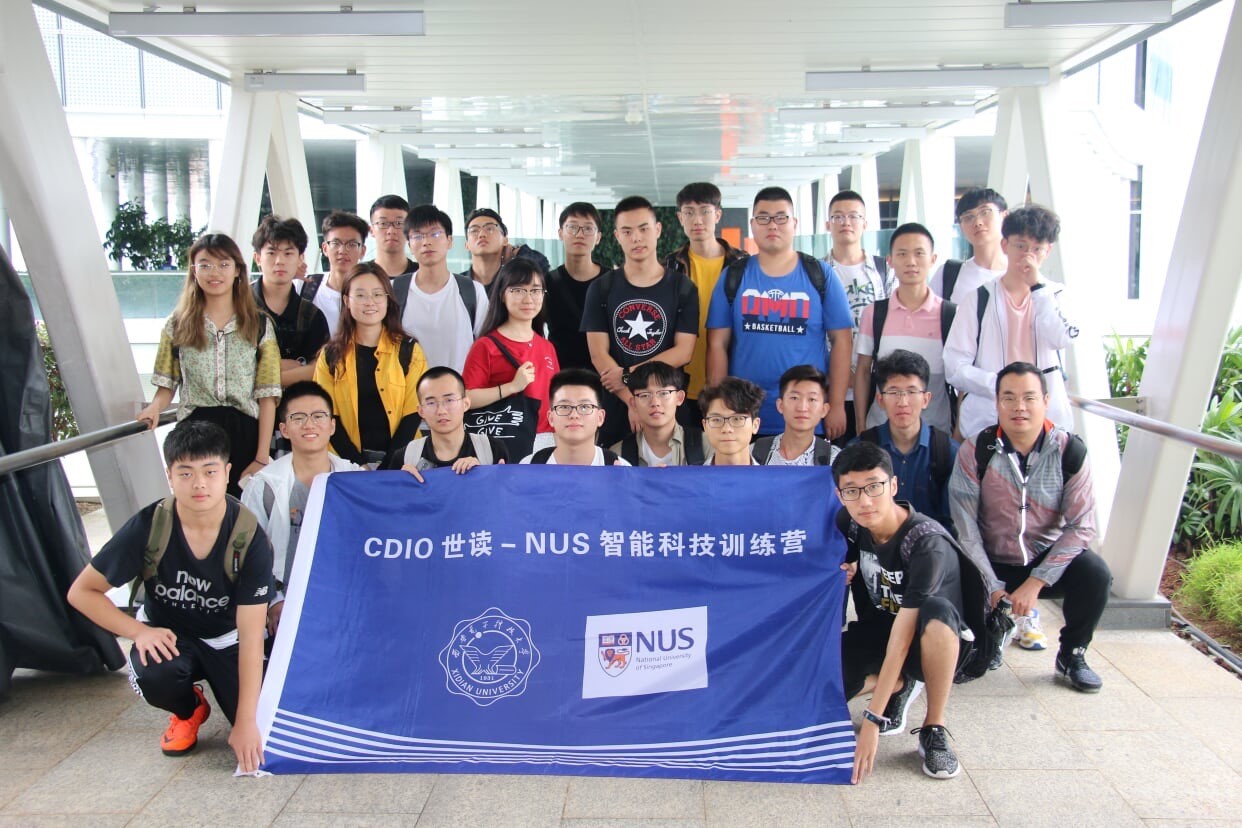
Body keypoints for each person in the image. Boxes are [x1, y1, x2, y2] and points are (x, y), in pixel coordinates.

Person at [67, 420, 271, 771]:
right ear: (170, 476)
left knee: (264, 726)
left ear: (227, 473)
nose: (199, 484)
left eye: (209, 471)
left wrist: (246, 722)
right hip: (169, 637)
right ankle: (188, 709)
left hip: (227, 638)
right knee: (156, 673)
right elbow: (81, 592)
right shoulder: (151, 525)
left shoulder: (248, 536)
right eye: (186, 473)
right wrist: (138, 632)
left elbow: (252, 635)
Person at [948, 362, 1112, 692]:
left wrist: (1037, 581)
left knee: (1095, 574)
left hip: (1043, 560)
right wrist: (991, 585)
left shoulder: (1069, 451)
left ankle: (1073, 654)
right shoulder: (976, 450)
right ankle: (987, 635)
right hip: (989, 561)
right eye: (1008, 397)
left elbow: (1081, 527)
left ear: (1046, 401)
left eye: (1029, 397)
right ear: (997, 403)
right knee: (950, 570)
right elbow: (965, 527)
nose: (1019, 407)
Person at [834, 441, 983, 783]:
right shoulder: (851, 523)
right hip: (879, 627)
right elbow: (831, 561)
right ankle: (900, 684)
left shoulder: (926, 544)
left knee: (937, 612)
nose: (864, 501)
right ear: (840, 495)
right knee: (828, 684)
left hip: (929, 638)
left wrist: (872, 719)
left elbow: (902, 639)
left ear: (893, 485)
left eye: (874, 487)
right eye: (852, 491)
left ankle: (934, 726)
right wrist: (845, 568)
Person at [138, 232, 281, 498]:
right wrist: (155, 407)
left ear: (237, 270)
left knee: (241, 509)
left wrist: (262, 456)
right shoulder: (177, 324)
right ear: (194, 271)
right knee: (198, 504)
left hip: (244, 431)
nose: (214, 272)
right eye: (205, 265)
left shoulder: (259, 324)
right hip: (194, 430)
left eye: (223, 264)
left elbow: (268, 395)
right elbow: (167, 384)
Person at [705, 186, 854, 439]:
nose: (772, 225)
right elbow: (717, 345)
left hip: (806, 415)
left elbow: (842, 340)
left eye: (781, 217)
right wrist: (720, 410)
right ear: (753, 225)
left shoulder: (821, 275)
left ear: (794, 223)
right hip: (744, 415)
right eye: (763, 218)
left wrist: (836, 404)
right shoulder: (733, 276)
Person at [944, 205, 1079, 440]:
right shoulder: (979, 298)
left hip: (1047, 425)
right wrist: (1002, 386)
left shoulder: (1057, 296)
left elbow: (1062, 338)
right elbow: (954, 366)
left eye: (1037, 249)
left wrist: (1038, 288)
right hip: (987, 424)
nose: (1028, 256)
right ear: (1005, 245)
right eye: (1021, 246)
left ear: (1048, 251)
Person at [241, 381, 362, 638]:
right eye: (298, 418)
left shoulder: (356, 478)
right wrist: (274, 602)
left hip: (346, 598)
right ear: (284, 429)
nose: (309, 425)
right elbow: (249, 556)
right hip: (286, 603)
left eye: (318, 416)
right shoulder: (263, 487)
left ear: (332, 425)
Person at [581, 195, 699, 447]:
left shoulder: (683, 288)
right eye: (627, 231)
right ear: (617, 236)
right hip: (617, 404)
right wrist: (632, 401)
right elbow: (598, 355)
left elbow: (683, 352)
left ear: (658, 230)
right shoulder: (601, 288)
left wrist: (628, 374)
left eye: (644, 229)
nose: (636, 238)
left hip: (668, 404)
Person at [313, 262, 427, 468]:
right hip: (345, 463)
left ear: (388, 300)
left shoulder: (410, 351)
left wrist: (389, 465)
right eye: (360, 295)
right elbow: (326, 414)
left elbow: (413, 413)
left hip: (402, 463)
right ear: (347, 300)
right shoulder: (330, 355)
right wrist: (357, 464)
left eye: (377, 294)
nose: (370, 302)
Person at [854, 222, 956, 434]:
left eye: (919, 253)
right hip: (880, 432)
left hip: (935, 433)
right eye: (902, 254)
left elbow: (960, 381)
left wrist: (958, 433)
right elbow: (862, 372)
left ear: (933, 259)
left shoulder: (950, 314)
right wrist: (861, 426)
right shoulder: (874, 313)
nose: (911, 261)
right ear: (890, 260)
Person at [662, 182, 746, 424]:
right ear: (680, 218)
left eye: (705, 211)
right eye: (689, 212)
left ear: (717, 215)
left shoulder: (742, 265)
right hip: (681, 384)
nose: (697, 220)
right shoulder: (670, 266)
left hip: (732, 381)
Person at [463, 257, 561, 455]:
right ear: (502, 294)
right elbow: (466, 398)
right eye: (518, 290)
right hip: (506, 442)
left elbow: (555, 399)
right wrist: (512, 387)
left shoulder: (547, 347)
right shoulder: (486, 346)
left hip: (547, 440)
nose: (528, 299)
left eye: (535, 290)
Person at [857, 350, 960, 534]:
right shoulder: (861, 450)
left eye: (911, 392)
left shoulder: (947, 451)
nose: (903, 402)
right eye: (893, 392)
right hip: (875, 547)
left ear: (926, 399)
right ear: (880, 400)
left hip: (931, 546)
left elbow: (955, 522)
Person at [824, 189, 893, 442]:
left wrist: (867, 373)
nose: (846, 222)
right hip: (832, 390)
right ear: (828, 224)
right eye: (838, 216)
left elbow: (892, 325)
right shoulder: (817, 271)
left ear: (865, 223)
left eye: (854, 216)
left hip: (877, 387)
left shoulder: (884, 270)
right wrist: (842, 374)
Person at [391, 204, 489, 372]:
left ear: (449, 241)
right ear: (409, 245)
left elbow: (486, 349)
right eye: (417, 236)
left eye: (435, 234)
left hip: (460, 387)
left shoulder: (473, 291)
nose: (426, 242)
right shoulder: (395, 290)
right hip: (408, 388)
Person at [250, 215, 329, 387]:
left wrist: (259, 374)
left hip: (295, 403)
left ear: (300, 258)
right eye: (271, 253)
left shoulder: (311, 315)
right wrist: (294, 369)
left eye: (288, 253)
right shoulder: (237, 306)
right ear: (258, 258)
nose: (280, 261)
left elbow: (320, 369)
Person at [403, 366, 509, 472]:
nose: (441, 411)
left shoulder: (492, 450)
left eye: (449, 400)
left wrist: (483, 473)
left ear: (465, 404)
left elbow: (507, 482)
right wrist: (402, 479)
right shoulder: (406, 457)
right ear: (421, 411)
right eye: (431, 403)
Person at [520, 369, 630, 466]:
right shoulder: (528, 466)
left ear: (600, 417)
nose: (574, 415)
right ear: (551, 418)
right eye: (564, 407)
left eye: (584, 407)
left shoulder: (621, 469)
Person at [611, 360, 708, 466]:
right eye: (645, 395)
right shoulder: (618, 453)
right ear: (633, 404)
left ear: (679, 398)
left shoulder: (706, 445)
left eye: (664, 393)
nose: (655, 403)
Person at [545, 202, 605, 370]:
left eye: (588, 229)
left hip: (604, 375)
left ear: (598, 237)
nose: (579, 234)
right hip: (559, 374)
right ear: (560, 233)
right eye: (572, 227)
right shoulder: (547, 282)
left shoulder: (612, 282)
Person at [931, 188, 1008, 305]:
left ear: (1005, 216)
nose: (978, 222)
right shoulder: (948, 274)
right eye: (968, 217)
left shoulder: (1021, 274)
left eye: (985, 212)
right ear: (961, 227)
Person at [752, 365, 838, 466]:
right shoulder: (754, 453)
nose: (802, 408)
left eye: (812, 399)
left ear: (824, 410)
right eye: (794, 398)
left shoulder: (834, 459)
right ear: (780, 405)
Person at [300, 210, 370, 334]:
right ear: (325, 248)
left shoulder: (374, 293)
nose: (342, 250)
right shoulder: (304, 286)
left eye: (352, 244)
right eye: (336, 243)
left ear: (363, 251)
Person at [460, 207, 551, 298]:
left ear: (505, 240)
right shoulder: (457, 285)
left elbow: (540, 266)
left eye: (490, 228)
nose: (482, 234)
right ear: (466, 245)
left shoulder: (513, 280)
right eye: (474, 230)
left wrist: (516, 251)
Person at [699, 377, 763, 466]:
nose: (726, 429)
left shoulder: (772, 475)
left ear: (755, 425)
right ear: (705, 426)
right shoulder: (688, 474)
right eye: (717, 420)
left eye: (737, 419)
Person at [368, 194, 418, 277]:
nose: (391, 231)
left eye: (399, 223)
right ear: (371, 230)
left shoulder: (422, 274)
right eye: (383, 223)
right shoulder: (360, 275)